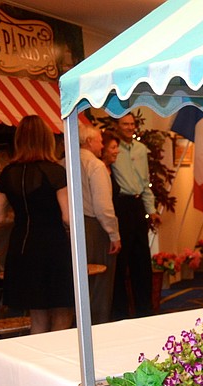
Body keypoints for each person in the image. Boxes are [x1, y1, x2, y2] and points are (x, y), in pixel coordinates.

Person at [0, 115, 73, 334]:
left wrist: (22, 217)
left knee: (37, 315)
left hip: (22, 247)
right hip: (52, 246)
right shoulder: (55, 171)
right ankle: (57, 362)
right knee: (63, 309)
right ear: (46, 139)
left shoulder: (7, 173)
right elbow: (67, 217)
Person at [110, 112, 160, 319]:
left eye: (132, 124)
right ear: (117, 126)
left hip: (138, 205)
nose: (130, 127)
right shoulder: (112, 149)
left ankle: (145, 310)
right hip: (121, 206)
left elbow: (145, 181)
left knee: (142, 261)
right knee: (122, 263)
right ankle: (120, 313)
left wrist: (152, 210)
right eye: (125, 124)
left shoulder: (140, 149)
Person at [78, 124, 121, 324]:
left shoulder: (64, 162)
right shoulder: (95, 166)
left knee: (79, 284)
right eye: (99, 140)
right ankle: (98, 330)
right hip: (94, 229)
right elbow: (103, 206)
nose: (102, 145)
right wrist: (114, 235)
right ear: (89, 141)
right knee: (99, 287)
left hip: (71, 228)